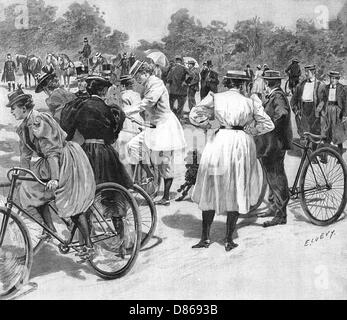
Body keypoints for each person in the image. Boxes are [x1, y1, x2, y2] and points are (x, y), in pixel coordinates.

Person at [189, 70, 274, 251]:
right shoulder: (250, 101)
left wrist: (209, 124)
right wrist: (250, 131)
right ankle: (228, 239)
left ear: (227, 82)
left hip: (219, 140)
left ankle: (205, 238)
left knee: (211, 186)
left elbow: (194, 114)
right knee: (237, 186)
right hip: (241, 143)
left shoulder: (216, 97)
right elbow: (268, 124)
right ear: (243, 84)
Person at [7, 87, 96, 259]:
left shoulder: (39, 120)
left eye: (13, 107)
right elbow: (25, 155)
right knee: (30, 189)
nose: (11, 111)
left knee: (70, 201)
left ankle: (89, 245)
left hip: (65, 159)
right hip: (49, 162)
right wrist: (22, 175)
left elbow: (52, 151)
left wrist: (55, 178)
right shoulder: (24, 127)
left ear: (23, 107)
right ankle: (49, 228)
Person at [126, 61, 187, 206]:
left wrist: (127, 111)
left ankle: (165, 197)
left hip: (165, 126)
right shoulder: (147, 84)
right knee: (133, 146)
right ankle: (149, 174)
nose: (136, 80)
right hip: (154, 125)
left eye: (137, 76)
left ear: (145, 73)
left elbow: (148, 103)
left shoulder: (156, 83)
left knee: (164, 162)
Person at [255, 70, 293, 227]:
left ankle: (280, 215)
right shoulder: (274, 95)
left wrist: (269, 126)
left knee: (276, 177)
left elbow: (282, 114)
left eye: (265, 81)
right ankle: (273, 208)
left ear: (267, 83)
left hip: (275, 144)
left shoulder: (277, 96)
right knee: (272, 176)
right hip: (272, 143)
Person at [291, 64, 327, 139]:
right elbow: (293, 100)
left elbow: (325, 99)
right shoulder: (300, 85)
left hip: (314, 110)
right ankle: (305, 148)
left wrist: (320, 109)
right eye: (305, 71)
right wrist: (296, 111)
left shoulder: (321, 85)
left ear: (313, 72)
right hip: (303, 109)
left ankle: (314, 149)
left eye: (308, 72)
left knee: (315, 131)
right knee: (304, 132)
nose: (306, 73)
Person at [114, 74, 144, 166]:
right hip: (137, 120)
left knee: (124, 146)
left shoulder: (122, 95)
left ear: (123, 86)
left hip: (127, 121)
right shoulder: (137, 95)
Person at [320, 71, 347, 154]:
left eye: (335, 78)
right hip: (327, 110)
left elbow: (345, 102)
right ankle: (325, 155)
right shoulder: (326, 88)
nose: (333, 80)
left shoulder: (342, 88)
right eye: (332, 78)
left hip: (337, 111)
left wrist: (345, 115)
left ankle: (340, 155)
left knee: (338, 133)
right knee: (326, 132)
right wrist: (322, 110)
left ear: (338, 79)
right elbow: (323, 100)